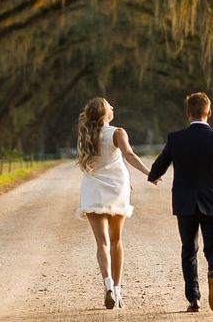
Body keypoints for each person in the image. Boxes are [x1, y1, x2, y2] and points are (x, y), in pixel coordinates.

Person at [148, 91, 213, 313]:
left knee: (189, 249)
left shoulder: (176, 139)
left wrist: (153, 177)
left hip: (185, 202)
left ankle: (194, 299)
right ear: (209, 112)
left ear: (188, 113)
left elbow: (158, 167)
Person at [76, 97, 152, 310]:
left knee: (102, 243)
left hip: (93, 189)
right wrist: (150, 173)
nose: (113, 108)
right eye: (110, 106)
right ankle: (117, 290)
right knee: (116, 240)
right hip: (117, 189)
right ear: (105, 113)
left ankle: (107, 284)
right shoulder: (118, 132)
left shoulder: (86, 134)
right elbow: (129, 155)